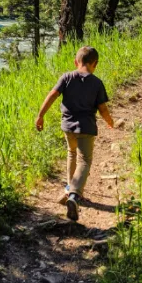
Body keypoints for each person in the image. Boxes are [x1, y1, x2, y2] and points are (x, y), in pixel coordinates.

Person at [36, 46, 115, 221]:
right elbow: (102, 108)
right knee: (85, 160)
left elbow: (52, 95)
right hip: (86, 128)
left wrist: (40, 115)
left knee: (71, 153)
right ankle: (74, 195)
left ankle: (69, 188)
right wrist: (110, 121)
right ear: (95, 64)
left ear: (76, 62)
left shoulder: (66, 77)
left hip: (67, 127)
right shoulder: (96, 83)